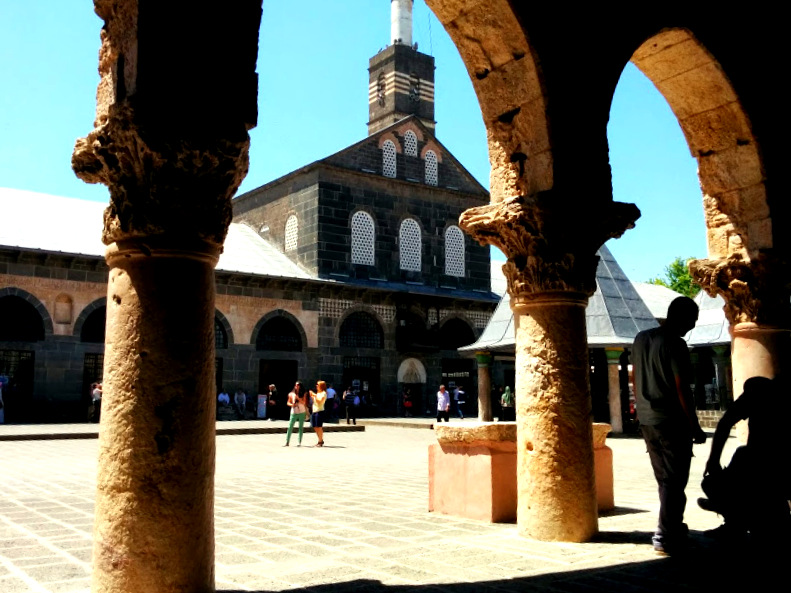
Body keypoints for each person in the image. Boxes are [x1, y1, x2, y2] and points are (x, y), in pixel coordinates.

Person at [632, 295, 706, 555]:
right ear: (681, 317)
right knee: (674, 481)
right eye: (692, 320)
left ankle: (673, 525)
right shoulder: (675, 344)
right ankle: (665, 535)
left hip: (647, 420)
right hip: (672, 421)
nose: (693, 326)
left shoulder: (640, 339)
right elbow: (681, 386)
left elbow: (635, 376)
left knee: (665, 479)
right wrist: (694, 425)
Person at [698, 376, 791, 544]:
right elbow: (725, 424)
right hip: (770, 465)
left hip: (765, 466)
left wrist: (713, 460)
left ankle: (734, 521)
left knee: (717, 481)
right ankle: (734, 521)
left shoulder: (758, 393)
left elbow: (725, 423)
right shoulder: (769, 393)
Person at [284, 382, 308, 446]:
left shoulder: (304, 393)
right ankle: (287, 442)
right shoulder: (291, 394)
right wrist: (292, 405)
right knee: (290, 426)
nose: (297, 386)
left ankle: (299, 442)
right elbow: (288, 402)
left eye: (298, 385)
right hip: (294, 411)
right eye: (296, 385)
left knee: (300, 427)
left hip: (302, 411)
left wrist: (298, 399)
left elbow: (304, 403)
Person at [309, 380, 328, 447]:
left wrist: (314, 395)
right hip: (314, 411)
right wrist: (312, 395)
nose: (316, 386)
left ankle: (320, 441)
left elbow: (320, 401)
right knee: (315, 426)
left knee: (319, 427)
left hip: (320, 411)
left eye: (318, 385)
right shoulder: (318, 393)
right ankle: (320, 439)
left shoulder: (323, 393)